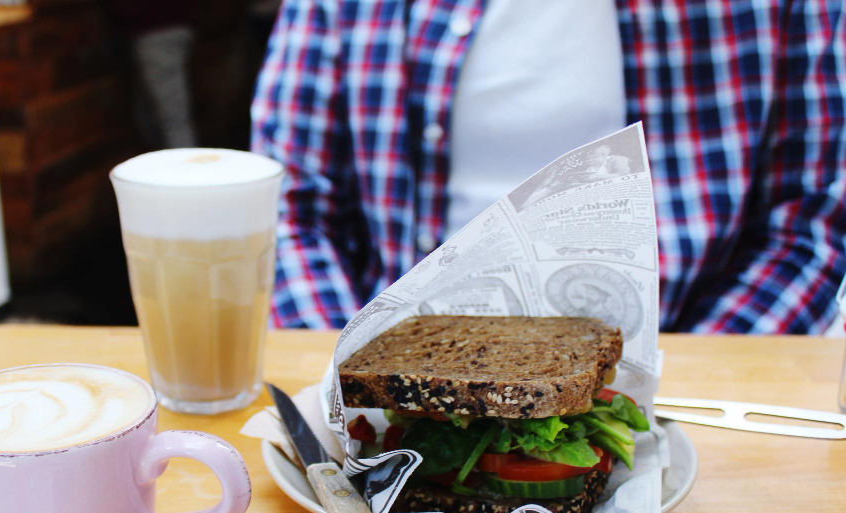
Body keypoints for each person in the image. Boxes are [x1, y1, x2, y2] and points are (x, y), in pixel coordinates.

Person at [250, 0, 846, 333]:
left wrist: (678, 388)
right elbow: (286, 211)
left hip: (679, 383)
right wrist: (357, 382)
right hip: (398, 377)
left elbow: (808, 227)